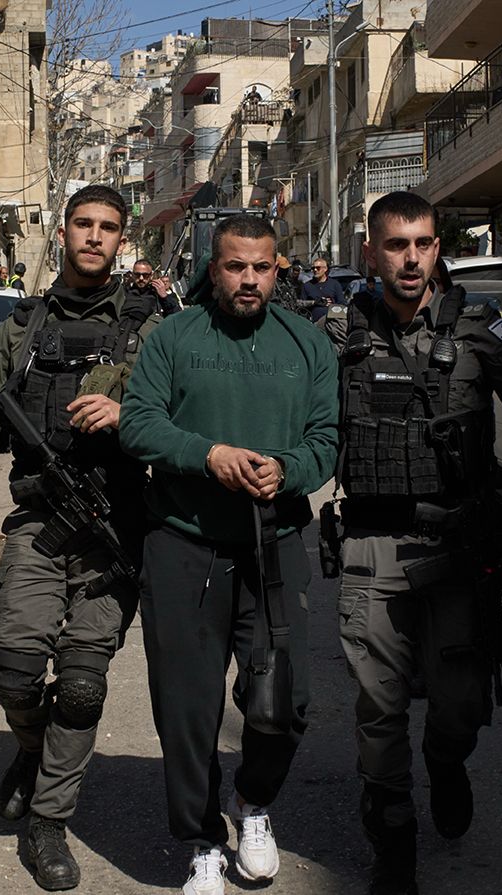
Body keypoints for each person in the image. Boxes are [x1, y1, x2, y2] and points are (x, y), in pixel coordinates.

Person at [326, 191, 502, 895]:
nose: (412, 258)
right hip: (372, 544)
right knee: (377, 709)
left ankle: (445, 759)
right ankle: (394, 842)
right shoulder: (339, 335)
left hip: (460, 546)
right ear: (371, 252)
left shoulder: (479, 329)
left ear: (439, 248)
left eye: (425, 243)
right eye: (398, 244)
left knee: (461, 703)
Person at [0, 184, 159, 891]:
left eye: (108, 227)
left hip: (115, 526)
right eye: (83, 224)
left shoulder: (150, 328)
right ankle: (33, 745)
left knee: (81, 687)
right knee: (17, 669)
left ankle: (48, 821)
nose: (94, 237)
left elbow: (180, 411)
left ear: (122, 239)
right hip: (39, 524)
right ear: (62, 232)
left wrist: (128, 410)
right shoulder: (22, 327)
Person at [119, 214, 339, 895]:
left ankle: (253, 801)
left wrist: (290, 469)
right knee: (187, 707)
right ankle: (200, 839)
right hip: (183, 544)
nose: (249, 279)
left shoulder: (308, 344)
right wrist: (206, 454)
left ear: (280, 270)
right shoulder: (174, 337)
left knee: (287, 701)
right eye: (235, 266)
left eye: (262, 266)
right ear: (213, 270)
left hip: (272, 548)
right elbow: (139, 422)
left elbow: (327, 437)